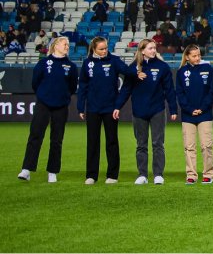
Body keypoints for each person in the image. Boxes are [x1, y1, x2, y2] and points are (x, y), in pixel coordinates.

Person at [77, 37, 142, 185]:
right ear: (94, 49)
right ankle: (91, 175)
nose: (105, 51)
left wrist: (137, 71)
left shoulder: (114, 60)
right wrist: (81, 107)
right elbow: (83, 87)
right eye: (101, 49)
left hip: (110, 108)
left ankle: (112, 175)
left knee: (112, 141)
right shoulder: (87, 63)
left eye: (106, 48)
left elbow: (127, 71)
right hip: (93, 108)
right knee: (92, 142)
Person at [115, 39, 176, 185]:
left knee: (158, 144)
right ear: (142, 50)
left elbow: (169, 90)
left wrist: (173, 108)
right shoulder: (133, 69)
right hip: (139, 111)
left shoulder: (162, 67)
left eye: (154, 48)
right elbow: (125, 90)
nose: (153, 51)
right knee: (141, 144)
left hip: (157, 111)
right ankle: (142, 174)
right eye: (150, 48)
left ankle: (158, 175)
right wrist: (117, 106)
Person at [18, 37, 78, 183]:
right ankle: (26, 169)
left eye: (68, 45)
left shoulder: (71, 66)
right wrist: (43, 95)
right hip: (43, 105)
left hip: (61, 106)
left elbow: (72, 87)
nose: (67, 47)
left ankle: (52, 172)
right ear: (55, 45)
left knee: (56, 140)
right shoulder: (43, 63)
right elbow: (35, 83)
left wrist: (62, 96)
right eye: (64, 44)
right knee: (35, 136)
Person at [175, 44, 213, 185]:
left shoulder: (208, 69)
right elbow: (180, 94)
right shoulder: (181, 72)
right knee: (189, 146)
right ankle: (191, 175)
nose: (198, 58)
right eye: (194, 56)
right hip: (188, 115)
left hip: (205, 114)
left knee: (206, 146)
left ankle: (208, 174)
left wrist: (203, 108)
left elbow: (212, 92)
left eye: (199, 55)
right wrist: (189, 109)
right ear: (187, 57)